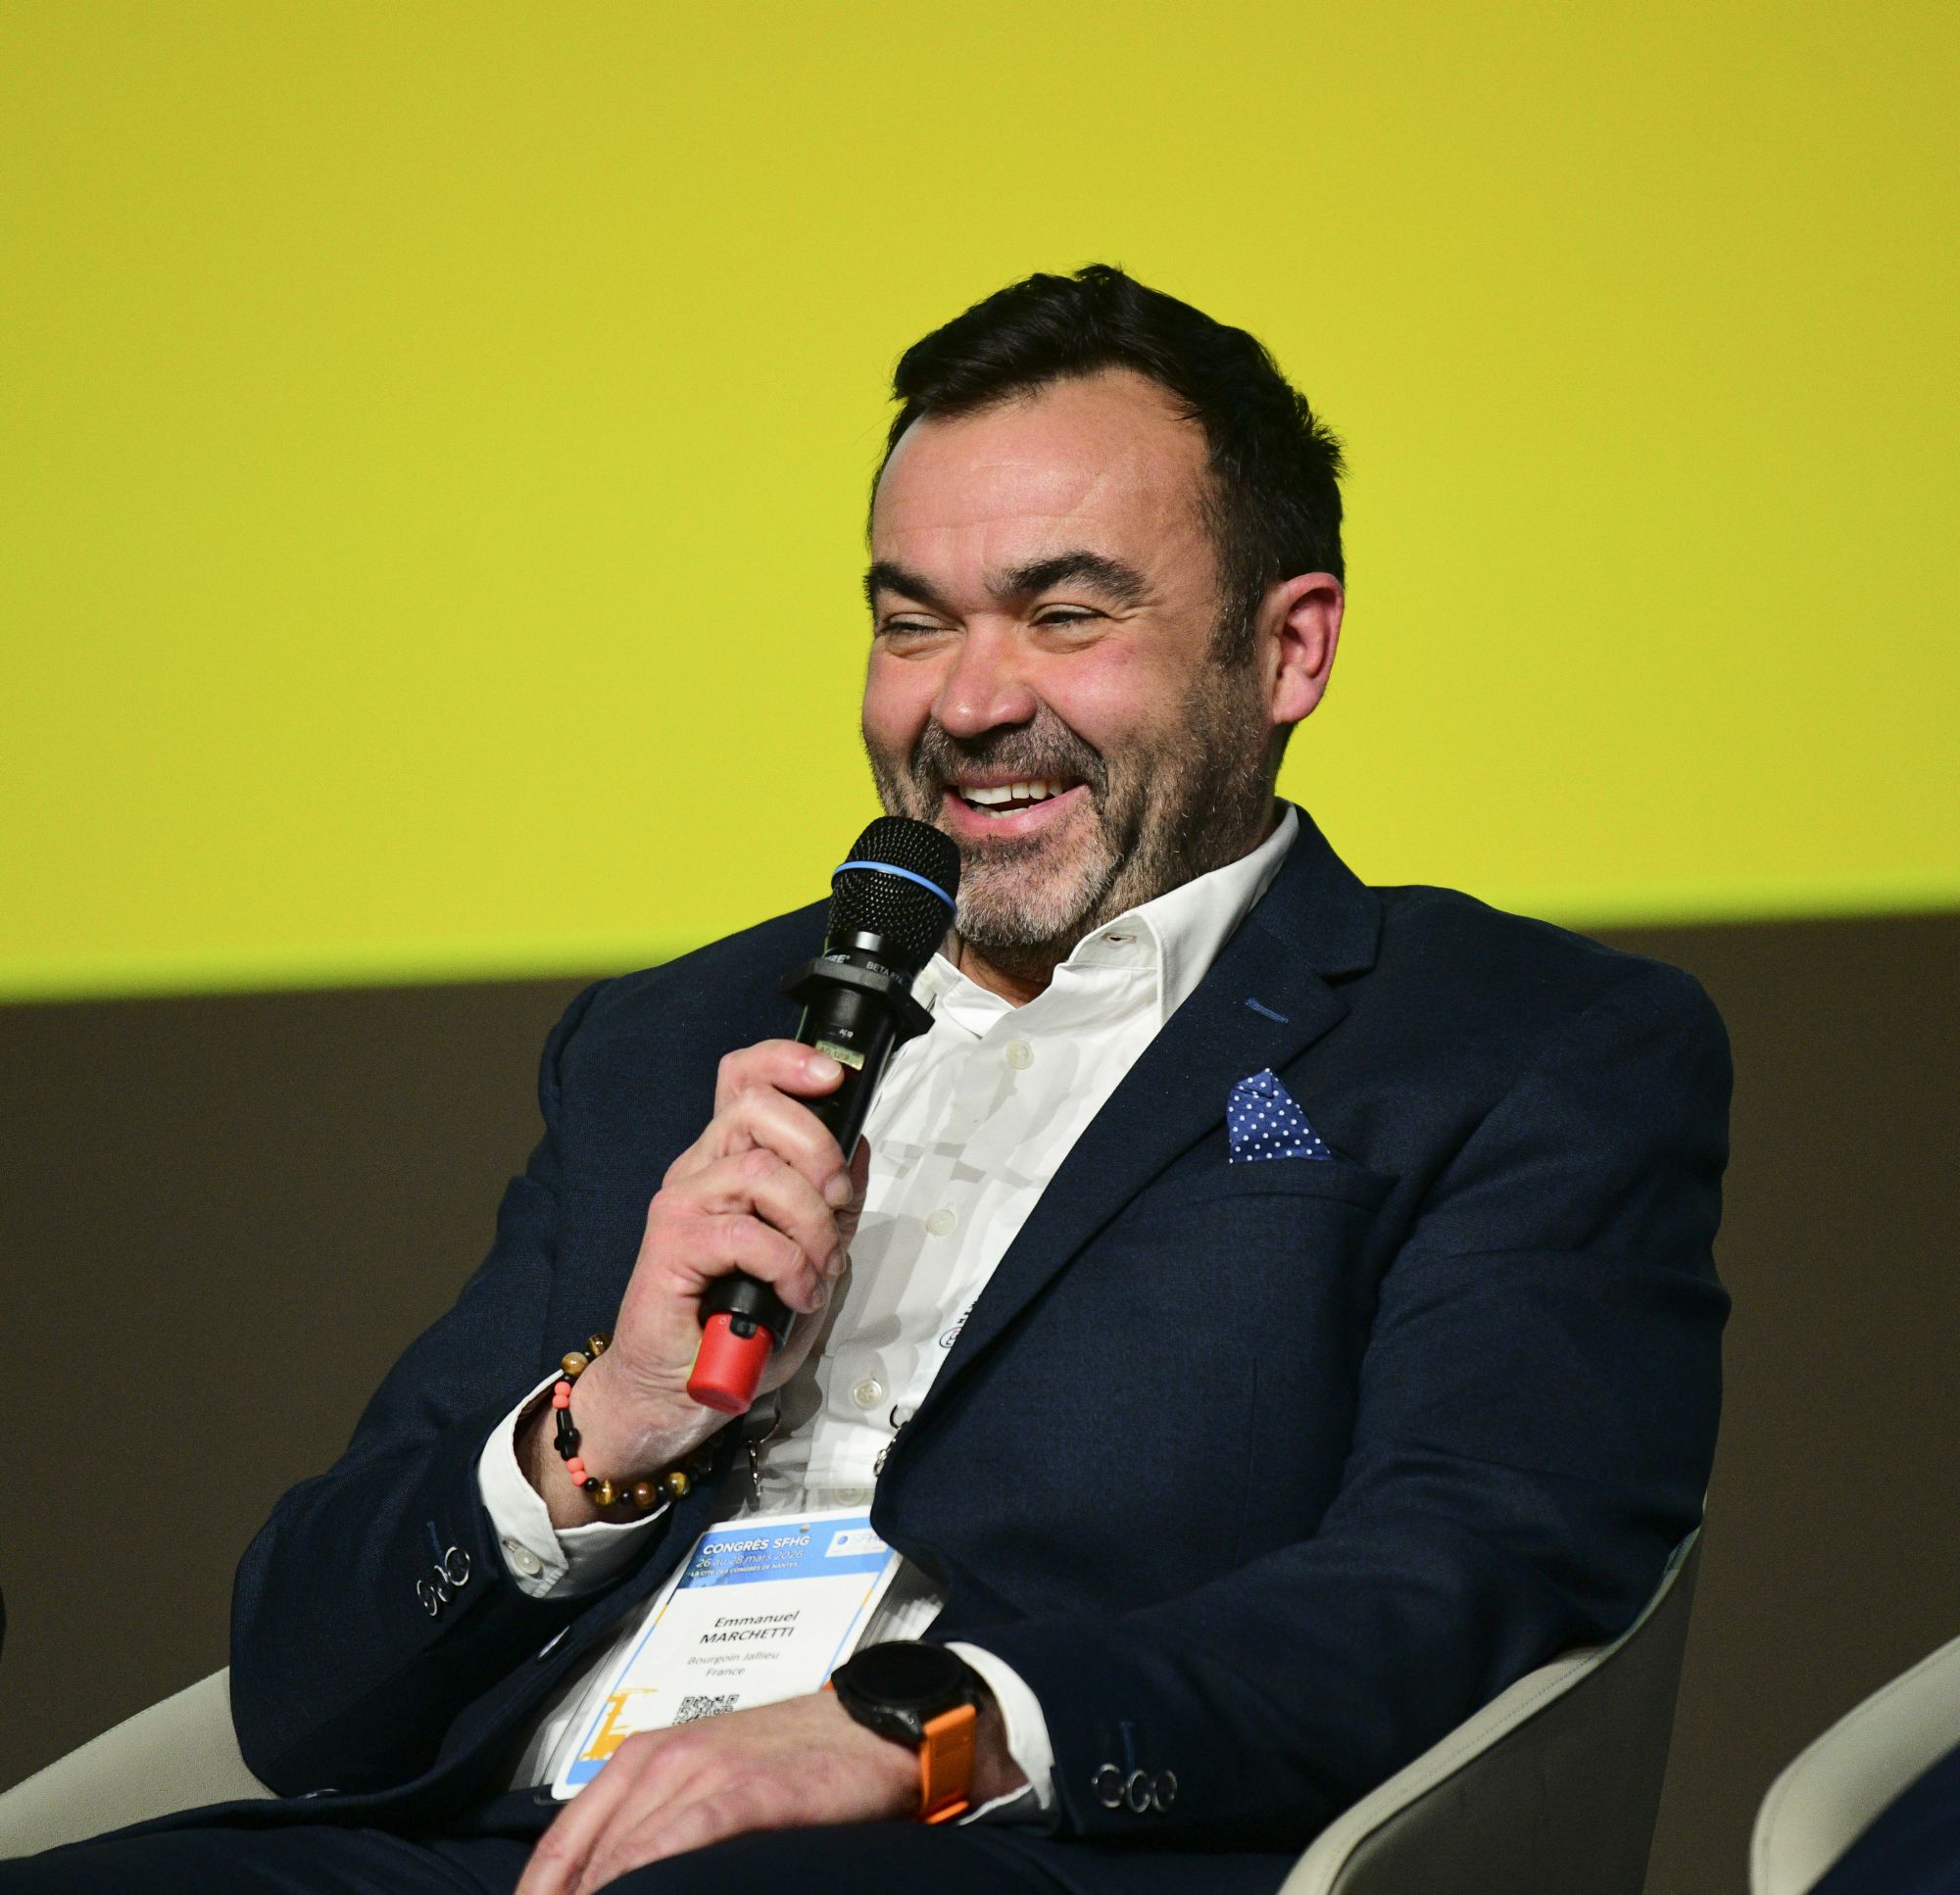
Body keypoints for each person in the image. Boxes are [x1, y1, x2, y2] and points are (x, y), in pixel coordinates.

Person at [3, 265, 1731, 1895]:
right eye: (913, 624)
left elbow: (1467, 1580)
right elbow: (301, 1680)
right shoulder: (668, 1040)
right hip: (502, 1841)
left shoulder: (1513, 1044)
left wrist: (926, 1722)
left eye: (1065, 614)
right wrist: (607, 1428)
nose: (967, 703)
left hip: (983, 1848)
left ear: (1290, 650)